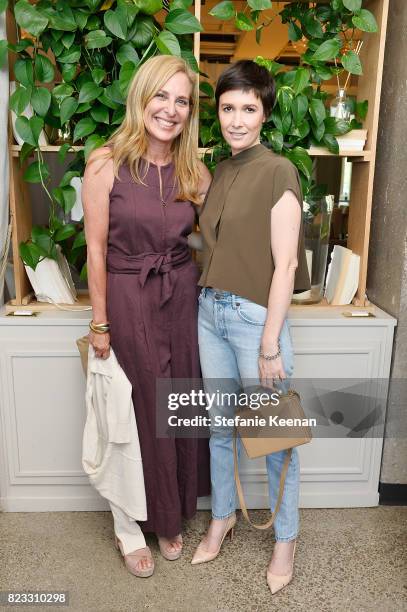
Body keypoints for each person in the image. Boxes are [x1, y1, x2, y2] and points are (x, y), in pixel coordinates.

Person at [82, 55, 212, 578]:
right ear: (142, 98)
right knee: (130, 416)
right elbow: (93, 250)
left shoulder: (193, 170)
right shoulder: (104, 163)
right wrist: (99, 323)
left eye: (182, 101)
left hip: (180, 298)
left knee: (175, 406)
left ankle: (170, 515)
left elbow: (214, 232)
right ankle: (129, 526)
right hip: (127, 297)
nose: (171, 109)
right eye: (163, 96)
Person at [191, 60, 311, 595]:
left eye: (248, 108)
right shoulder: (220, 170)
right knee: (220, 430)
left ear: (264, 113)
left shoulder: (278, 169)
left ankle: (285, 540)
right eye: (227, 108)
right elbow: (215, 245)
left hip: (253, 322)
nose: (236, 119)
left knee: (274, 441)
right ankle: (222, 518)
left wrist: (268, 345)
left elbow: (284, 265)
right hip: (210, 313)